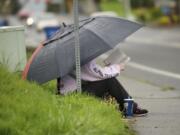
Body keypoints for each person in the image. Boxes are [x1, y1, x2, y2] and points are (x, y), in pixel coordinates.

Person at [59, 58, 148, 117]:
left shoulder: (70, 51)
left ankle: (126, 106)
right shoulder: (80, 51)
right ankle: (130, 108)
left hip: (69, 92)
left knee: (105, 80)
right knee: (109, 81)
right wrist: (117, 67)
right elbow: (96, 73)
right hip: (74, 94)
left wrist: (108, 68)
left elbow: (89, 73)